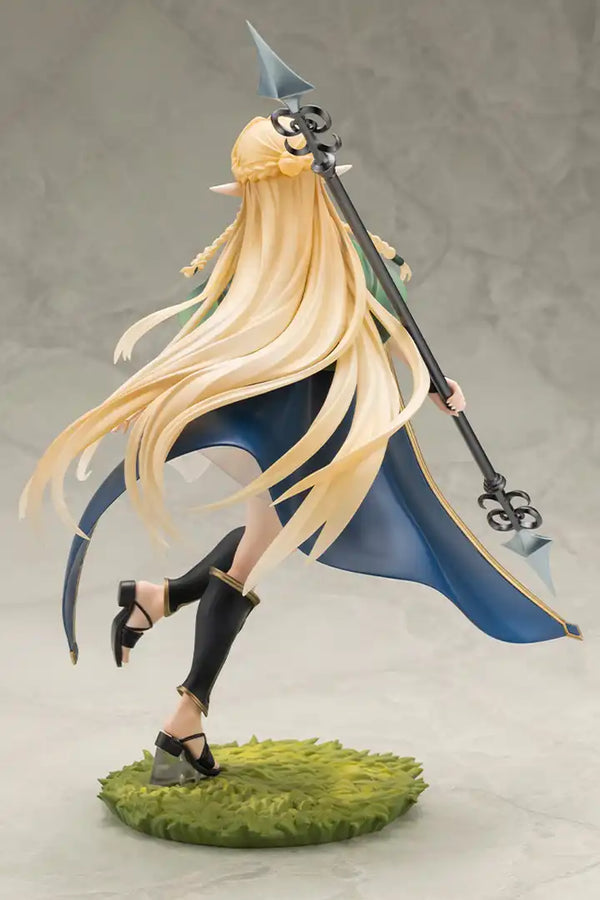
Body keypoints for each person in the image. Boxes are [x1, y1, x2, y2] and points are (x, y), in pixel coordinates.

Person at [20, 115, 578, 787]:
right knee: (262, 548)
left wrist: (436, 383)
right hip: (280, 432)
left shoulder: (341, 255)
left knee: (265, 538)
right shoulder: (263, 269)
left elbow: (386, 325)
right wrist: (152, 403)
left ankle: (160, 603)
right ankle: (183, 716)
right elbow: (203, 341)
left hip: (315, 428)